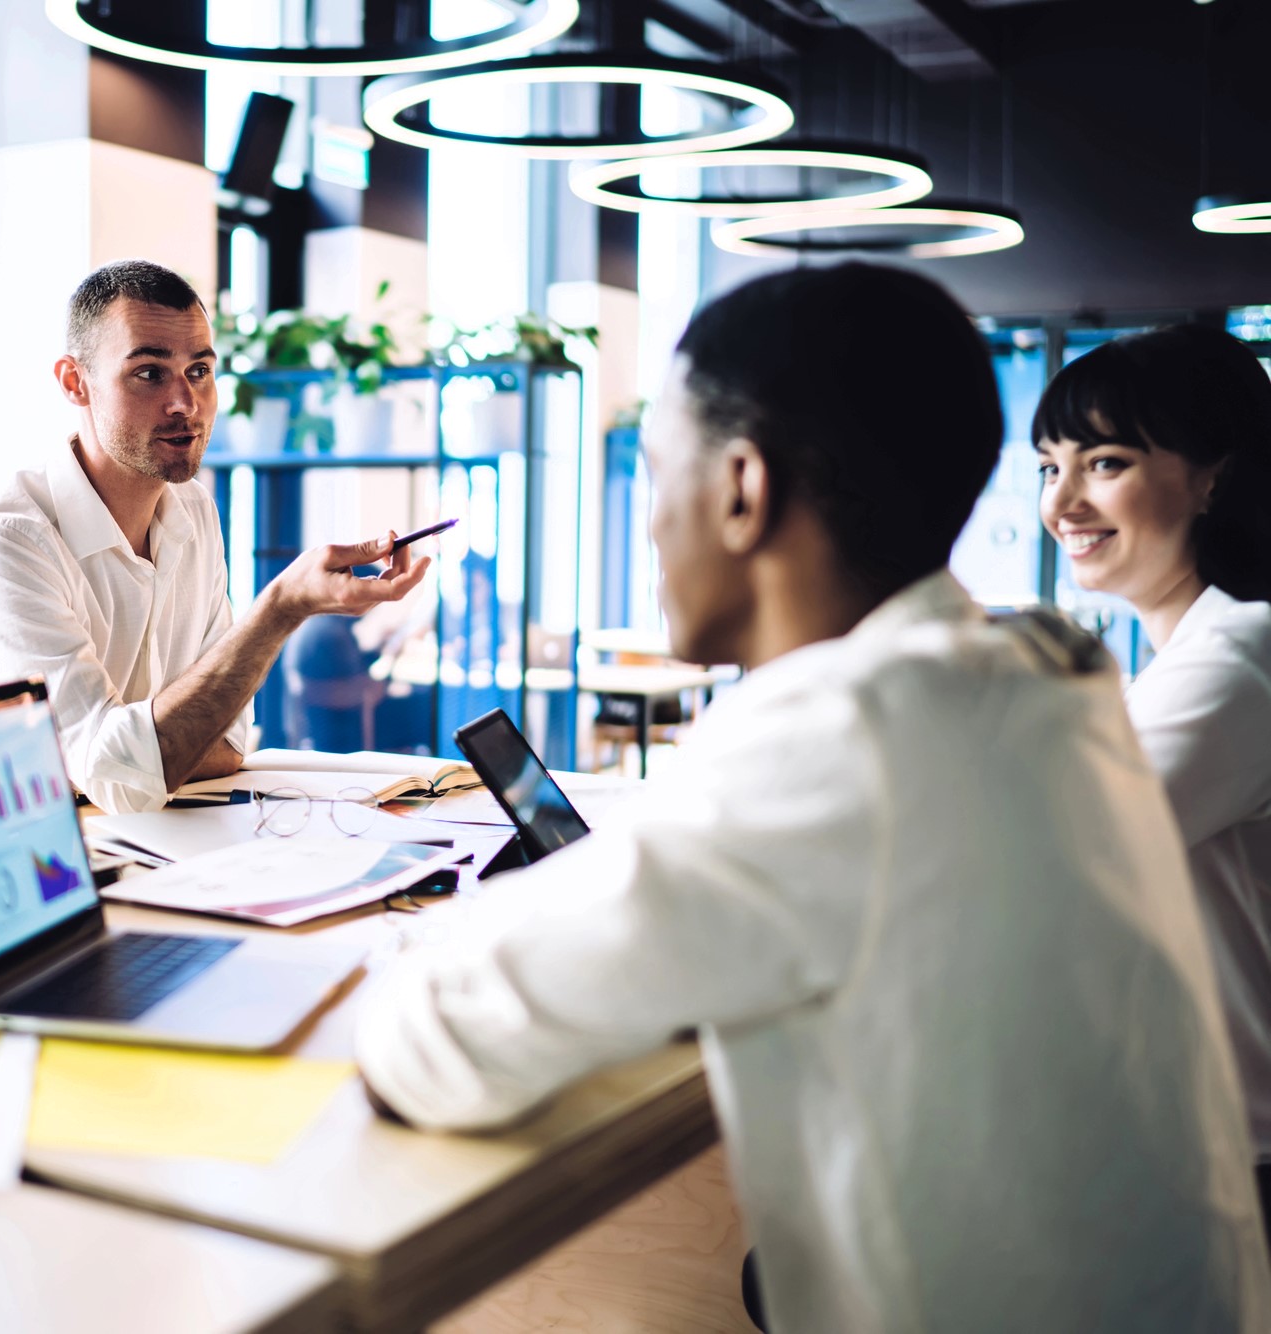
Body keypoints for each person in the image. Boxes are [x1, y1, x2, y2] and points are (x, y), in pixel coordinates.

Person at [354, 265, 1270, 1331]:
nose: (647, 525)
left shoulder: (838, 736)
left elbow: (433, 1046)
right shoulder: (1036, 667)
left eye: (656, 474)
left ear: (741, 488)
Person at [0, 259, 429, 813]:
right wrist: (281, 608)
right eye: (149, 374)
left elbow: (229, 740)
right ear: (76, 383)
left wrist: (151, 751)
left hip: (149, 846)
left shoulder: (192, 510)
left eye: (199, 372)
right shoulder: (4, 550)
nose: (185, 404)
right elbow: (118, 779)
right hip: (25, 872)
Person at [1034, 324, 1271, 1213]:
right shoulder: (1186, 657)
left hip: (1230, 1174)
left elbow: (1048, 854)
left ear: (1213, 474)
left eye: (1103, 463)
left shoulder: (1240, 652)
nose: (1062, 506)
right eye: (1050, 467)